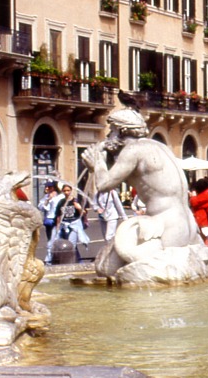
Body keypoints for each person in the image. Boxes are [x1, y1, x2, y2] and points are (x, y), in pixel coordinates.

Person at [80, 108, 201, 277]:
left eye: (111, 130)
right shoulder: (159, 146)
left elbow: (103, 184)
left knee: (104, 267)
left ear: (121, 131)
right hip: (187, 225)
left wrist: (97, 163)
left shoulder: (133, 150)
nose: (108, 136)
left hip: (165, 228)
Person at [53, 184, 89, 262]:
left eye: (68, 190)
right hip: (64, 225)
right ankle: (79, 261)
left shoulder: (75, 201)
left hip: (74, 225)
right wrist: (57, 227)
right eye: (65, 190)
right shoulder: (61, 202)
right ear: (62, 191)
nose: (66, 192)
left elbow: (84, 213)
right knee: (67, 245)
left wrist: (79, 208)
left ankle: (72, 262)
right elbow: (58, 215)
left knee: (72, 244)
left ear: (71, 191)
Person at [189, 178, 208, 243]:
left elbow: (194, 202)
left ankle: (206, 249)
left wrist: (193, 196)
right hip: (202, 217)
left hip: (202, 218)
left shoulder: (206, 194)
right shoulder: (207, 192)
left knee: (203, 236)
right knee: (202, 236)